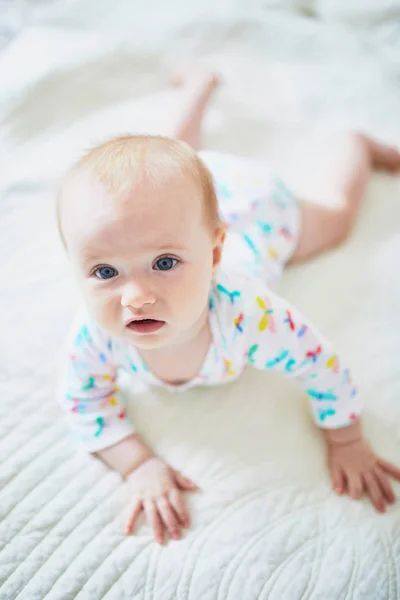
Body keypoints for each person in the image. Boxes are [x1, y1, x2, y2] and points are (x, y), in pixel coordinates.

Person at [56, 70, 400, 545]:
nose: (135, 296)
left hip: (258, 210)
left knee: (336, 220)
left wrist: (346, 439)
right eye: (105, 272)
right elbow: (84, 399)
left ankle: (356, 145)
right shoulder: (94, 334)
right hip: (174, 202)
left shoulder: (249, 315)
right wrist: (137, 463)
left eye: (164, 262)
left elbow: (319, 365)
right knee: (165, 156)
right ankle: (198, 87)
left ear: (215, 254)